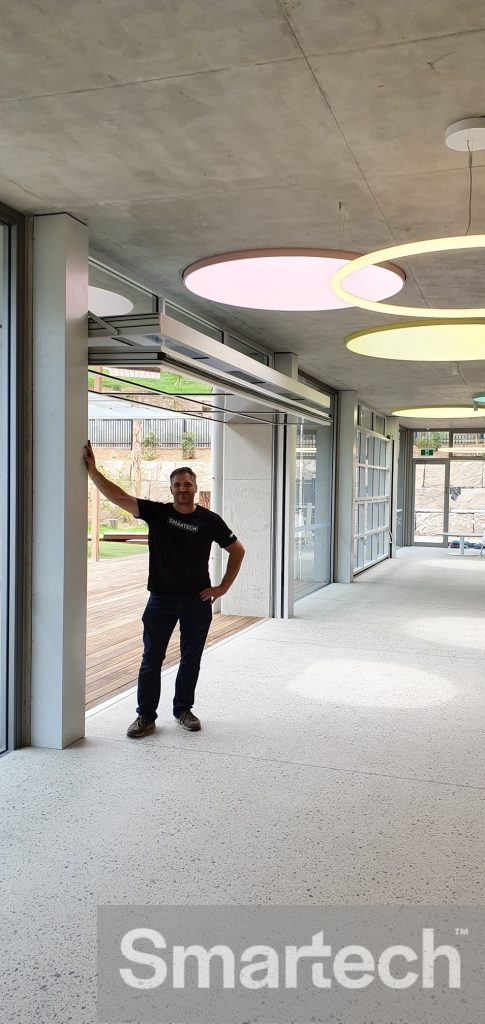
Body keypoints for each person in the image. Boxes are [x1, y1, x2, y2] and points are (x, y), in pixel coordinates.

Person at [84, 441, 245, 738]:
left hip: (197, 601)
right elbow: (118, 496)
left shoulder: (209, 520)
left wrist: (222, 587)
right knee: (151, 660)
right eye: (177, 485)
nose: (182, 488)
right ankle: (145, 716)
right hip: (161, 600)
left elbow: (237, 550)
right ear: (170, 489)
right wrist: (93, 472)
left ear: (196, 487)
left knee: (191, 658)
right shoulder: (157, 513)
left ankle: (183, 710)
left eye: (187, 484)